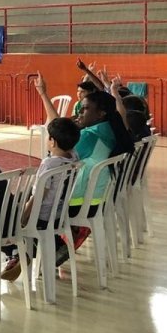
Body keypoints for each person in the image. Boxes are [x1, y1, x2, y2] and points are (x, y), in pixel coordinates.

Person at [35, 74, 133, 263]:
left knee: (32, 204)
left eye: (85, 109)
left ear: (101, 113)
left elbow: (58, 134)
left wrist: (43, 93)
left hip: (81, 202)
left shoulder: (90, 135)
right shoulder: (112, 130)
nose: (80, 112)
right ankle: (57, 242)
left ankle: (46, 247)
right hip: (99, 197)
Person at [1, 117, 81, 281]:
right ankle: (55, 245)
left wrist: (23, 217)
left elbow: (39, 196)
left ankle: (16, 254)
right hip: (59, 213)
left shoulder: (48, 165)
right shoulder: (74, 157)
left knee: (9, 219)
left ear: (52, 141)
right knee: (21, 199)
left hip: (42, 216)